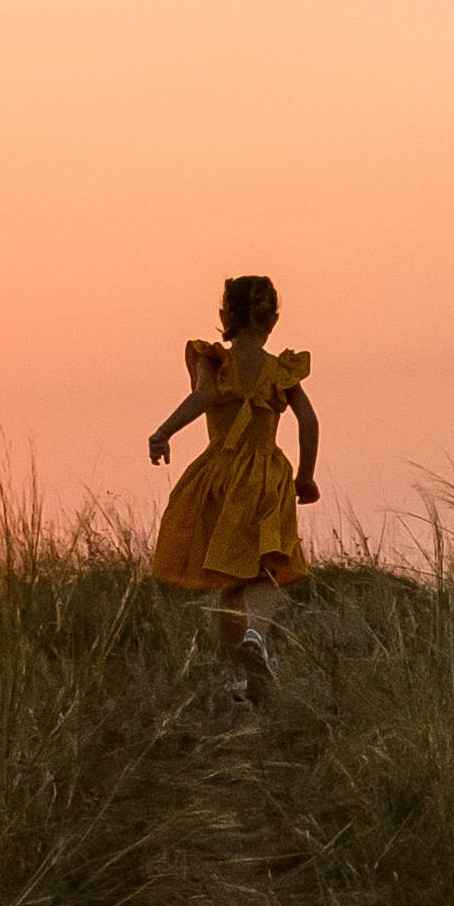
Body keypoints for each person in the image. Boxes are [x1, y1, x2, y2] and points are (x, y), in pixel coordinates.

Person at [148, 273, 318, 692]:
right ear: (272, 319)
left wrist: (164, 432)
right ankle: (256, 639)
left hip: (221, 474)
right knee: (268, 571)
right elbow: (309, 421)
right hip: (267, 476)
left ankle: (238, 676)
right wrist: (305, 475)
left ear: (224, 315)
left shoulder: (213, 360)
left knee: (231, 577)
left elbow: (204, 396)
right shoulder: (281, 370)